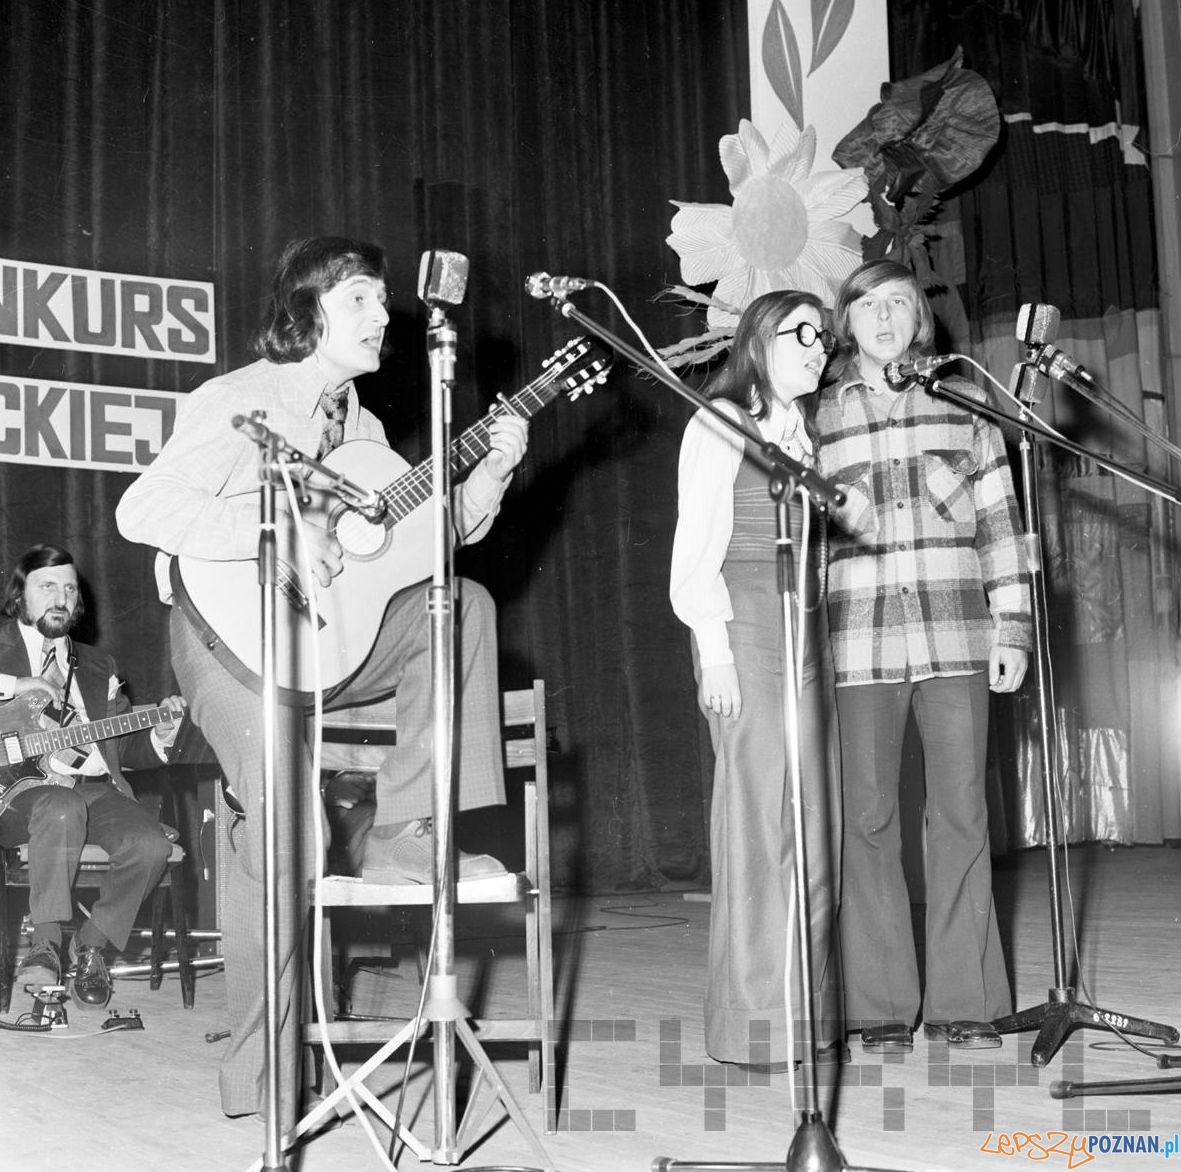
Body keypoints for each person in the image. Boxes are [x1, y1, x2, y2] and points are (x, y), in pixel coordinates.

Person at [115, 236, 528, 1126]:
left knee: (461, 606)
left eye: (384, 299)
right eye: (362, 299)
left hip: (331, 645)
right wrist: (277, 529)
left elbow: (421, 547)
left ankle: (405, 831)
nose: (384, 315)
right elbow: (142, 508)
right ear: (308, 313)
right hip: (229, 638)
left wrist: (490, 472)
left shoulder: (364, 431)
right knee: (285, 833)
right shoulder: (240, 399)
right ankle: (263, 1079)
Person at [814, 259, 1032, 1053]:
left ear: (919, 319)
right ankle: (877, 1007)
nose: (883, 318)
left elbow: (1002, 528)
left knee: (961, 815)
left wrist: (1011, 630)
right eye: (867, 305)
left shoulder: (966, 405)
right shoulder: (815, 418)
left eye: (898, 303)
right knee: (866, 820)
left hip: (955, 639)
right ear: (845, 322)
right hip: (854, 647)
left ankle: (964, 1003)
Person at [670, 290, 844, 1071]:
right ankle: (751, 1023)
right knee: (756, 823)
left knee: (811, 821)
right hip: (743, 625)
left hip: (802, 628)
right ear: (757, 340)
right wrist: (715, 652)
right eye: (800, 333)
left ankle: (804, 1013)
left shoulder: (799, 433)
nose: (817, 347)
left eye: (822, 337)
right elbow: (694, 552)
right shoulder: (720, 422)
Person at [0, 543, 185, 1010]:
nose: (60, 598)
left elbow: (120, 749)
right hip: (15, 795)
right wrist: (17, 685)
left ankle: (91, 946)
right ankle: (45, 944)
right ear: (19, 596)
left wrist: (160, 735)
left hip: (93, 789)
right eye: (47, 586)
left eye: (69, 589)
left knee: (151, 847)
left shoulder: (99, 664)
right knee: (60, 806)